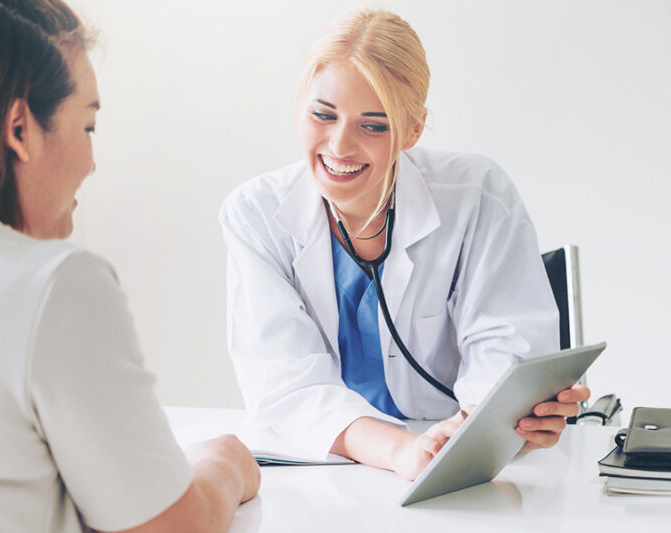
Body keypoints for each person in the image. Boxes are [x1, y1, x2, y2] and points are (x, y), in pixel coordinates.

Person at [0, 1, 259, 531]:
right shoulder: (52, 285)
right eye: (89, 126)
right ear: (19, 130)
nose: (92, 163)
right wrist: (223, 466)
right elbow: (171, 527)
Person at [219, 8, 590, 482]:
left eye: (373, 125)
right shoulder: (254, 214)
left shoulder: (478, 196)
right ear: (298, 107)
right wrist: (404, 451)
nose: (339, 145)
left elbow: (507, 348)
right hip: (323, 467)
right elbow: (285, 384)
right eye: (322, 114)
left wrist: (491, 425)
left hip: (452, 467)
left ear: (414, 129)